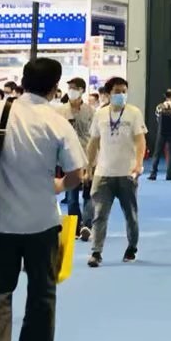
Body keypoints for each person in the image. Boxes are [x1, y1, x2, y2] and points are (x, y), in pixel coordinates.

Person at [0, 57, 86, 341]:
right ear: (55, 87)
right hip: (42, 221)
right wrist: (57, 187)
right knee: (42, 293)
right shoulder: (56, 121)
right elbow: (77, 174)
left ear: (23, 80)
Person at [86, 80, 145, 268]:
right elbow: (93, 142)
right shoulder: (100, 114)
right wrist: (88, 166)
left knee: (131, 215)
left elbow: (140, 140)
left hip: (127, 173)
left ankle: (132, 248)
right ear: (109, 94)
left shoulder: (134, 113)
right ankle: (96, 252)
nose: (121, 95)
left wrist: (138, 164)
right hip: (103, 173)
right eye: (117, 91)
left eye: (124, 91)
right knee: (99, 214)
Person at [53, 79, 94, 240]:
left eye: (74, 88)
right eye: (69, 88)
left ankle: (87, 225)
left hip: (88, 155)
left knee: (89, 194)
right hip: (68, 157)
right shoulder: (60, 111)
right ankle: (75, 227)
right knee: (71, 196)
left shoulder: (90, 111)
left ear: (82, 90)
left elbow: (95, 136)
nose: (71, 90)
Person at [150, 90, 171, 181]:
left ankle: (153, 173)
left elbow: (157, 118)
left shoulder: (159, 106)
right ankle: (169, 174)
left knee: (157, 153)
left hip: (162, 132)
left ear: (165, 96)